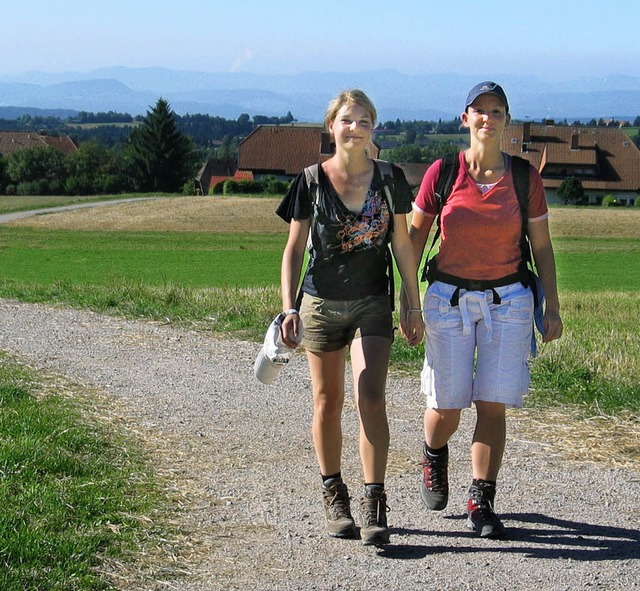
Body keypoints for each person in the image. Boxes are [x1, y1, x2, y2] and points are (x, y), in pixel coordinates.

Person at [405, 81, 563, 539]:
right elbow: (414, 239)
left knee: (492, 404)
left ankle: (482, 500)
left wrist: (551, 304)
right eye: (480, 111)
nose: (487, 119)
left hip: (510, 300)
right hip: (447, 298)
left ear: (506, 121)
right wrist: (409, 302)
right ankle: (434, 454)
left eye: (496, 111)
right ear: (465, 118)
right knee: (448, 406)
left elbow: (543, 246)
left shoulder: (523, 176)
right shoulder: (443, 172)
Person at [276, 89, 424, 546]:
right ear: (331, 127)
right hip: (319, 305)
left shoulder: (389, 178)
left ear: (373, 128)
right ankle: (333, 493)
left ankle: (374, 500)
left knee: (371, 399)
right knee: (327, 402)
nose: (355, 128)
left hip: (372, 304)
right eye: (346, 120)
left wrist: (410, 302)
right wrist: (288, 308)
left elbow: (402, 243)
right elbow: (295, 249)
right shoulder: (310, 181)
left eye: (363, 121)